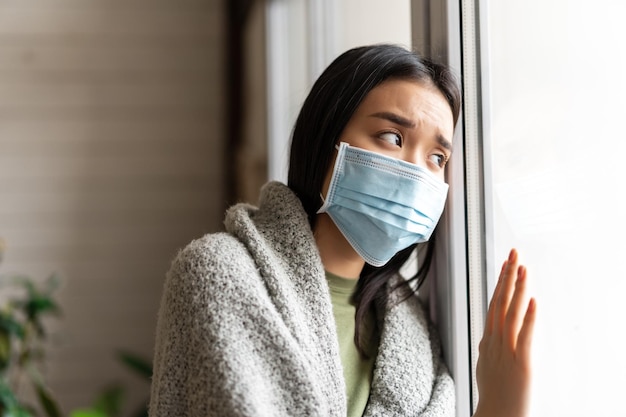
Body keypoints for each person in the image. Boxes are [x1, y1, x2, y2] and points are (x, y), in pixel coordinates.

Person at [148, 44, 536, 417]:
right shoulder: (218, 273)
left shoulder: (413, 332)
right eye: (392, 138)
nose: (417, 172)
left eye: (437, 157)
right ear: (324, 139)